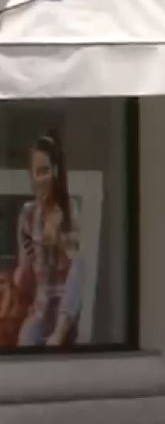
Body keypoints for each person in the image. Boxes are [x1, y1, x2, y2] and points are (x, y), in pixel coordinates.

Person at [14, 133, 83, 348]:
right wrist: (21, 272)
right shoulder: (28, 215)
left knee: (80, 263)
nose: (43, 179)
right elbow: (25, 278)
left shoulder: (70, 209)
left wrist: (58, 241)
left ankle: (58, 335)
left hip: (66, 309)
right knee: (27, 340)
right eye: (38, 173)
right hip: (41, 307)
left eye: (47, 171)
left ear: (57, 172)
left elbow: (75, 270)